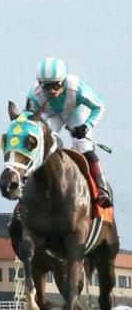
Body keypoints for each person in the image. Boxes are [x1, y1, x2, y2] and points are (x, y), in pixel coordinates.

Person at [25, 57, 112, 207]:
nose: (52, 91)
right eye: (47, 86)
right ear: (40, 85)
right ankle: (26, 190)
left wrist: (86, 126)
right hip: (52, 113)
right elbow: (29, 118)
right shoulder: (35, 95)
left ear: (63, 81)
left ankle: (102, 187)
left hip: (76, 111)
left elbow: (99, 107)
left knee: (83, 146)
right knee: (44, 144)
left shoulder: (76, 86)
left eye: (56, 85)